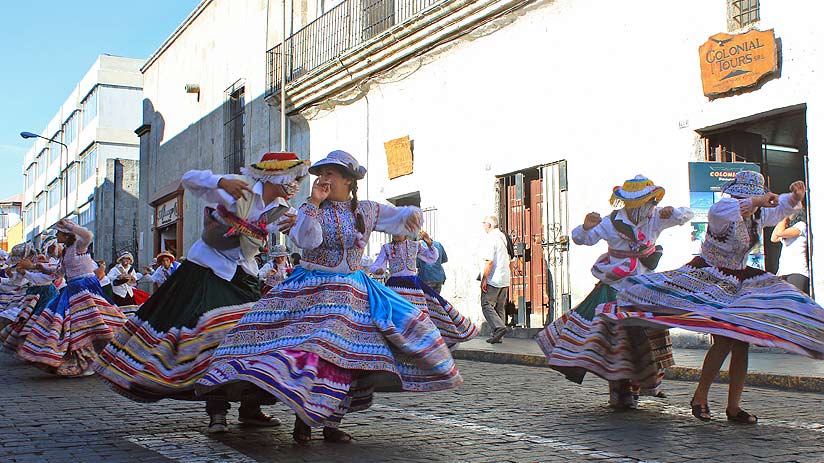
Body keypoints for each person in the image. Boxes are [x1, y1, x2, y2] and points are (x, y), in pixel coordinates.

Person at [197, 150, 462, 444]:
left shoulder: (368, 210)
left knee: (352, 358)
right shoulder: (309, 209)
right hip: (311, 290)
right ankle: (302, 417)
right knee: (307, 350)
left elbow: (399, 218)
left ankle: (331, 422)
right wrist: (313, 203)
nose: (323, 179)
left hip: (354, 294)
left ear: (348, 179)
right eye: (321, 174)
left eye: (330, 174)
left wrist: (412, 216)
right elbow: (307, 239)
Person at [94, 151, 305, 433]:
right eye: (296, 177)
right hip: (206, 272)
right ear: (277, 175)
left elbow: (305, 238)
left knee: (258, 340)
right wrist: (220, 182)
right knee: (213, 340)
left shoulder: (283, 210)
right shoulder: (238, 186)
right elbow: (189, 180)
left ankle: (251, 407)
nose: (298, 184)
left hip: (243, 277)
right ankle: (217, 411)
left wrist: (310, 213)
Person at [600, 174, 823, 424]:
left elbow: (778, 208)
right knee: (727, 338)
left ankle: (733, 406)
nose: (747, 200)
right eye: (745, 196)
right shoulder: (721, 209)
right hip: (709, 277)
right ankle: (700, 396)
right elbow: (733, 208)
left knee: (742, 342)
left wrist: (794, 197)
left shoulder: (757, 215)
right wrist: (759, 199)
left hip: (739, 280)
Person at [536, 175, 693, 409]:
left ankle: (640, 384)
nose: (649, 206)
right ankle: (619, 390)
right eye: (645, 202)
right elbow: (583, 239)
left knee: (645, 339)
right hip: (615, 288)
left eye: (651, 201)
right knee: (615, 342)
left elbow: (685, 215)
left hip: (644, 290)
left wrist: (674, 212)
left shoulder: (654, 218)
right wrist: (585, 226)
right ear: (631, 204)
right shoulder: (610, 223)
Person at [18, 220, 128, 376]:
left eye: (59, 233)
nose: (57, 236)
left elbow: (88, 235)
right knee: (73, 324)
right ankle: (85, 360)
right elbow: (58, 273)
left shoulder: (79, 246)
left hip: (86, 288)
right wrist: (35, 267)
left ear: (67, 234)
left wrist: (69, 225)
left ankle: (96, 360)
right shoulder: (66, 251)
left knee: (85, 323)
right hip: (73, 289)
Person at [371, 232, 478, 347]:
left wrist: (429, 242)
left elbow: (432, 257)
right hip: (395, 288)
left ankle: (424, 346)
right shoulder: (386, 247)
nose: (396, 233)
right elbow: (377, 264)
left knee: (422, 315)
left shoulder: (415, 245)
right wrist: (378, 270)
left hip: (413, 286)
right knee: (395, 316)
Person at [480, 215, 514, 344]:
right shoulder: (504, 237)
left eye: (484, 223)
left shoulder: (491, 238)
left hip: (494, 278)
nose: (483, 226)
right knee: (500, 307)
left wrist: (484, 279)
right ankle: (498, 336)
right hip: (504, 277)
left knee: (486, 304)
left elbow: (489, 261)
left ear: (489, 225)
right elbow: (512, 259)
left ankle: (499, 328)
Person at [771, 207, 809, 293]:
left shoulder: (801, 225)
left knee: (795, 300)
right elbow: (773, 238)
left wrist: (784, 216)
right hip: (783, 271)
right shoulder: (788, 228)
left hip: (797, 271)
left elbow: (780, 233)